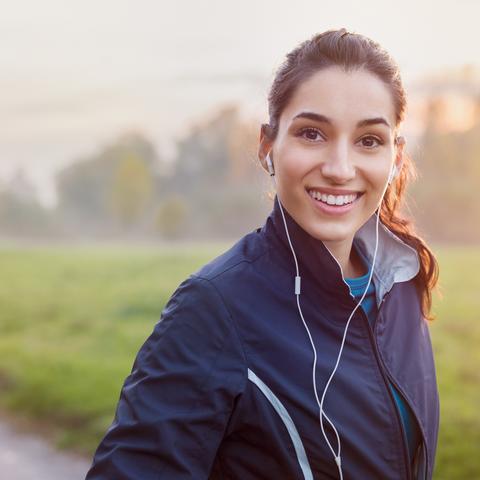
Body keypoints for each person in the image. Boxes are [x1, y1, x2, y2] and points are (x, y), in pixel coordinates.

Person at [85, 28, 440, 480]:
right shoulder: (212, 311)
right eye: (312, 133)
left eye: (368, 140)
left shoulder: (402, 285)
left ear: (394, 156)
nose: (339, 168)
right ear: (268, 147)